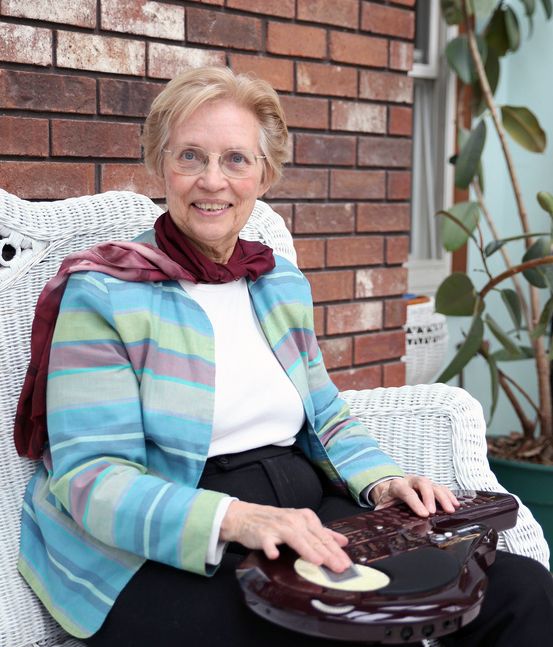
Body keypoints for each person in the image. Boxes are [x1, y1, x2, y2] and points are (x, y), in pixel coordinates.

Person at [16, 67, 553, 647]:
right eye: (190, 156)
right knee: (328, 633)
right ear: (160, 165)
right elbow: (92, 476)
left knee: (520, 590)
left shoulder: (279, 283)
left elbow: (324, 412)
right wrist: (236, 518)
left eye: (236, 159)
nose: (212, 181)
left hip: (301, 512)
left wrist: (383, 482)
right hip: (161, 544)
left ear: (265, 173)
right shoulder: (105, 293)